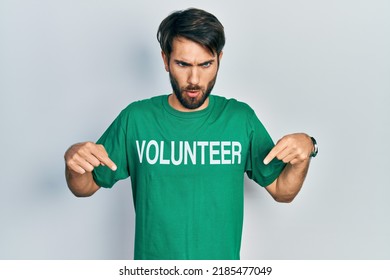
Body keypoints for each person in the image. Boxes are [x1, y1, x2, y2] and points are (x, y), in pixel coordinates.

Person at [64, 8, 318, 260]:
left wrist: (307, 150)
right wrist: (74, 164)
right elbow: (84, 186)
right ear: (165, 60)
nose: (194, 79)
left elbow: (283, 191)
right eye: (183, 64)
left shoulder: (240, 119)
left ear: (219, 59)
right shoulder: (137, 119)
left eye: (206, 64)